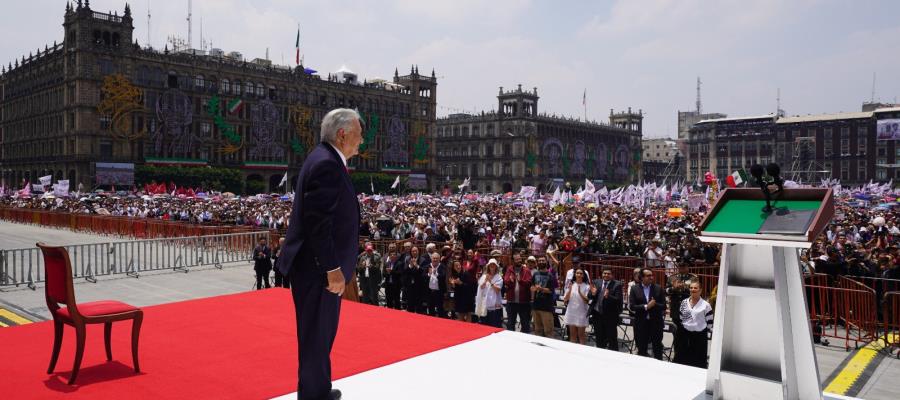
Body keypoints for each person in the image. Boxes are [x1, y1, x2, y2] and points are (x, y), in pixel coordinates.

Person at [276, 108, 363, 400]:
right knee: (316, 336)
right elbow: (318, 222)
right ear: (342, 134)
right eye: (358, 134)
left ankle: (318, 389)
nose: (361, 141)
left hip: (316, 269)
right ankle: (314, 395)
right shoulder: (327, 164)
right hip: (319, 272)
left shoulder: (322, 158)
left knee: (320, 335)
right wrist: (331, 268)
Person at [672, 281, 713, 368]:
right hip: (684, 335)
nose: (693, 289)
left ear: (700, 290)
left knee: (697, 361)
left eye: (695, 288)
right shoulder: (684, 302)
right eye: (691, 288)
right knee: (682, 359)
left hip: (699, 337)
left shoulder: (706, 305)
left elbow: (709, 322)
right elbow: (681, 316)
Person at [629, 268, 666, 359]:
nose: (651, 277)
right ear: (641, 277)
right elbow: (632, 306)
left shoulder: (658, 288)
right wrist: (646, 306)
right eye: (648, 276)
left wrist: (654, 304)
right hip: (641, 324)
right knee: (642, 350)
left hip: (656, 324)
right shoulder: (634, 289)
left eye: (652, 275)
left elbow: (664, 306)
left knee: (657, 349)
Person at [589, 267, 622, 351]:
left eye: (608, 273)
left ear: (612, 275)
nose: (606, 275)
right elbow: (590, 296)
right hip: (597, 315)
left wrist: (608, 296)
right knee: (599, 338)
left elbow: (618, 300)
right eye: (605, 273)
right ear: (602, 274)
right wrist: (592, 294)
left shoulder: (617, 284)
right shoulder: (596, 282)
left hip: (610, 317)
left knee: (612, 339)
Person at [503, 254, 533, 333]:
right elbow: (505, 281)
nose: (519, 261)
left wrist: (520, 281)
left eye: (520, 259)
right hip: (511, 302)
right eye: (517, 259)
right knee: (510, 324)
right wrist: (510, 281)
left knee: (525, 324)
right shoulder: (509, 269)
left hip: (524, 302)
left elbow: (529, 282)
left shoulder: (526, 270)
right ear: (513, 261)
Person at [530, 256, 556, 338]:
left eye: (543, 260)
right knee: (537, 331)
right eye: (539, 260)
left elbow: (551, 290)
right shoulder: (535, 274)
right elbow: (532, 287)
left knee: (548, 332)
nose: (541, 262)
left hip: (546, 307)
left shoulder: (550, 275)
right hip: (536, 306)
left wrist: (541, 289)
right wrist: (533, 290)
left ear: (546, 262)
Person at [563, 268, 591, 344]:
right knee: (572, 335)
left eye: (581, 273)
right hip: (571, 311)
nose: (579, 275)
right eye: (577, 273)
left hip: (582, 312)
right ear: (575, 274)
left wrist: (579, 292)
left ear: (583, 275)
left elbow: (587, 301)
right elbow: (565, 299)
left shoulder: (587, 286)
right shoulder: (571, 285)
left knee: (581, 335)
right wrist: (570, 289)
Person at [476, 258, 503, 327]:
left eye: (494, 265)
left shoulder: (499, 277)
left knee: (494, 326)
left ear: (496, 267)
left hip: (494, 307)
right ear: (488, 266)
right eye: (491, 265)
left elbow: (497, 290)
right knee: (484, 327)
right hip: (485, 306)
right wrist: (485, 281)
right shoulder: (484, 276)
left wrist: (490, 281)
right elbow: (481, 288)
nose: (492, 266)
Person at [425, 252, 447, 318]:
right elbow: (423, 276)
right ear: (431, 259)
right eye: (434, 258)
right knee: (430, 309)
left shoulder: (442, 266)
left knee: (440, 309)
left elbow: (443, 276)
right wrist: (428, 274)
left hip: (439, 292)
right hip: (430, 292)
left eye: (437, 258)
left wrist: (436, 273)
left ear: (439, 259)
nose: (435, 260)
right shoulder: (428, 266)